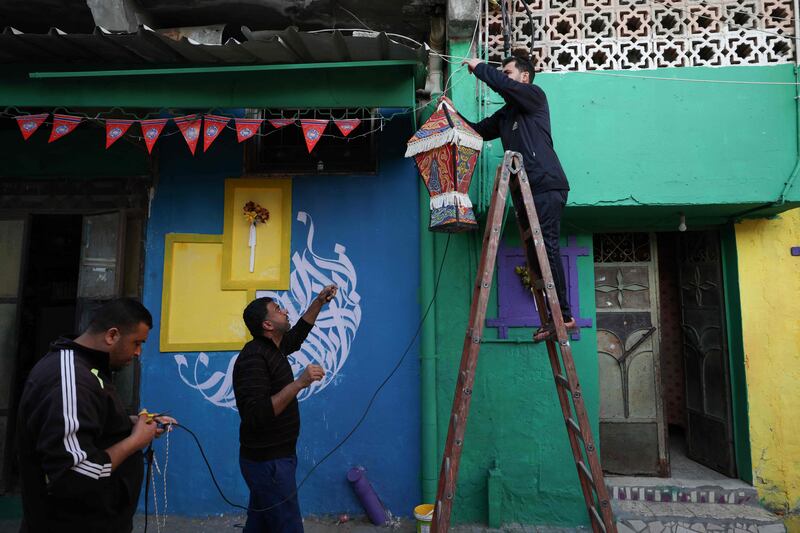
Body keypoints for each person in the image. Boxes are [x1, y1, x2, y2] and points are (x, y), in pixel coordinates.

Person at [16, 298, 175, 533]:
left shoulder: (89, 368)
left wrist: (131, 424)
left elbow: (88, 425)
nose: (138, 352)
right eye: (137, 343)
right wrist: (135, 441)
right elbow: (76, 473)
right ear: (112, 335)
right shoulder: (69, 378)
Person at [460, 52, 575, 342]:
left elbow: (504, 86)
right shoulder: (507, 114)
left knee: (546, 247)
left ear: (524, 77)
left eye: (508, 72)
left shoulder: (535, 96)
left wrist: (480, 68)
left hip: (546, 184)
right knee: (536, 254)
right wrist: (451, 114)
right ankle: (551, 318)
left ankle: (565, 316)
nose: (505, 77)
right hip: (525, 189)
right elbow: (476, 132)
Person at [233, 285, 337, 533]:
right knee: (287, 526)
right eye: (278, 309)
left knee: (260, 524)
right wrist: (300, 383)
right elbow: (256, 415)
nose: (285, 311)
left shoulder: (274, 348)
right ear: (267, 325)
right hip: (268, 463)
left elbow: (298, 334)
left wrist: (319, 302)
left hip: (276, 459)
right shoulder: (254, 358)